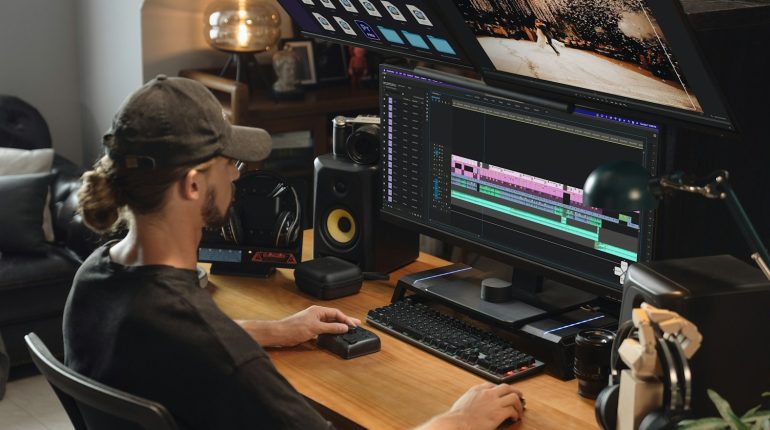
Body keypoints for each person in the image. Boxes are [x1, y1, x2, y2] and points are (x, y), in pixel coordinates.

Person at [64, 75, 525, 429]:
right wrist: (460, 419)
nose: (238, 178)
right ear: (192, 185)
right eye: (231, 164)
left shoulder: (94, 278)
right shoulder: (221, 355)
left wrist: (273, 330)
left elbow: (168, 341)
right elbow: (205, 346)